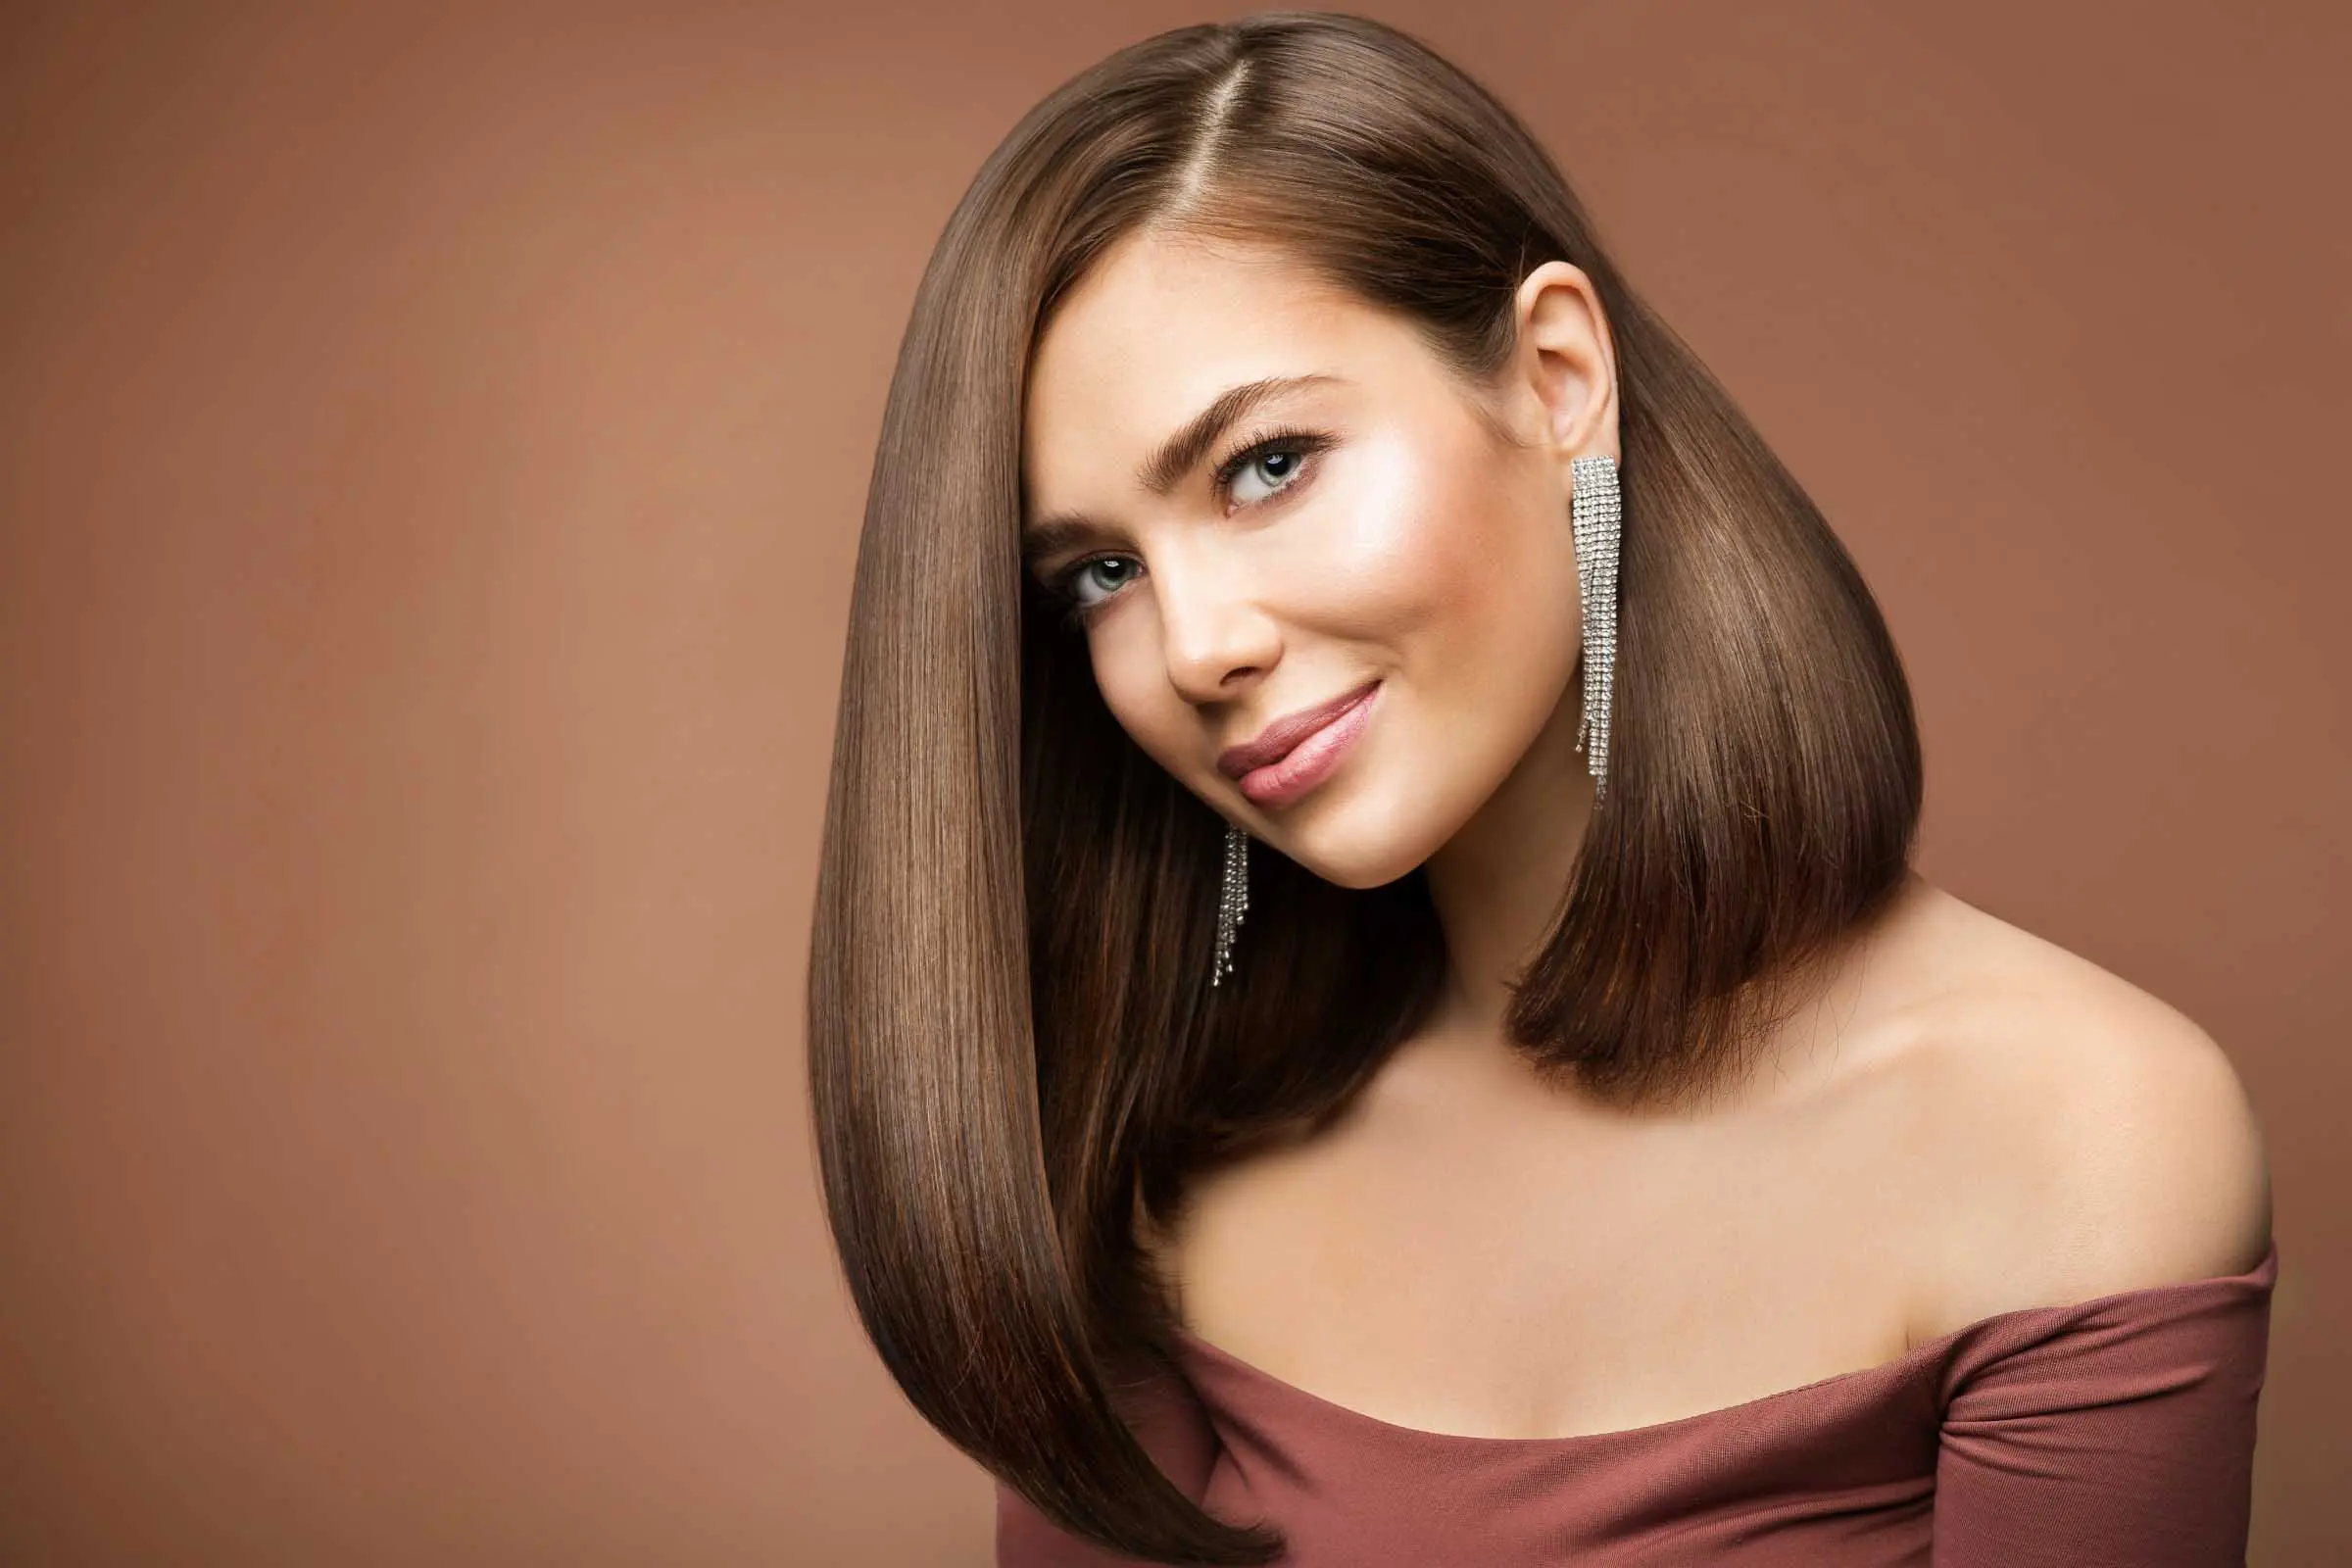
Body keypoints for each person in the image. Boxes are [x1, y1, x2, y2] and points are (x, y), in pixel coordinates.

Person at [805, 13, 2276, 1565]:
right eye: (1102, 571)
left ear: (1559, 375)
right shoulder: (1162, 1162)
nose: (1195, 647)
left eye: (1265, 465)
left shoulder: (2079, 1131)